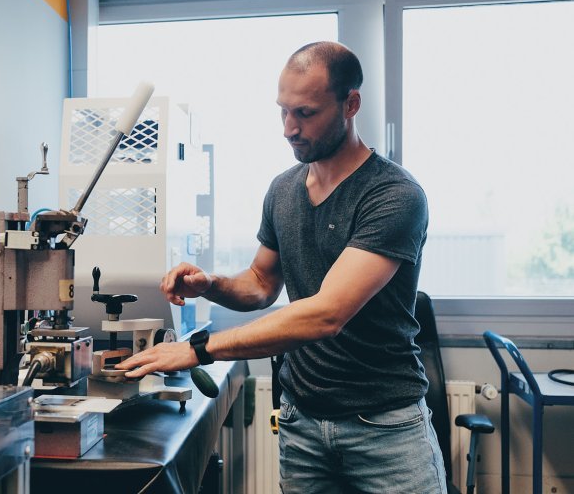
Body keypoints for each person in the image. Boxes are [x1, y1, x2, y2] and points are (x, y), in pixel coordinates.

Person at [116, 41, 447, 493]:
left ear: (351, 104)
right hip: (302, 423)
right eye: (283, 112)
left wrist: (199, 349)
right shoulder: (283, 190)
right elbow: (261, 283)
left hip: (385, 427)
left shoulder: (393, 195)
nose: (289, 128)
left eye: (305, 113)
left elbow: (326, 313)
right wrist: (209, 284)